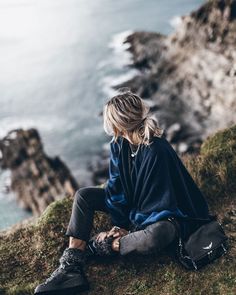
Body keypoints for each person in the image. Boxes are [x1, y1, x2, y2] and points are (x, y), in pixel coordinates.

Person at [34, 90, 211, 295]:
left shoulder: (156, 150)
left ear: (119, 123)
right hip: (137, 207)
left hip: (168, 213)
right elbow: (115, 187)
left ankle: (102, 246)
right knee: (84, 195)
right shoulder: (119, 144)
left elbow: (158, 203)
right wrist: (119, 223)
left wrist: (125, 231)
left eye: (110, 121)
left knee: (157, 235)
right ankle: (71, 268)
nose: (109, 127)